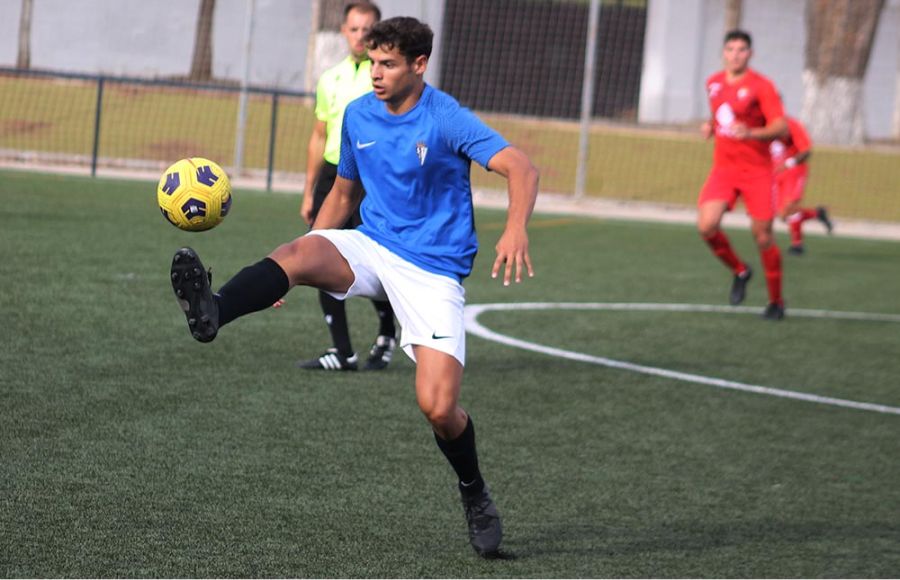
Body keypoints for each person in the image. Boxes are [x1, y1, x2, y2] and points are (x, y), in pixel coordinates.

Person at [169, 16, 539, 557]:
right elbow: (343, 193)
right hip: (374, 244)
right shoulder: (359, 113)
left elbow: (521, 167)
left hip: (432, 269)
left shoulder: (446, 118)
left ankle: (474, 492)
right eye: (371, 63)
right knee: (295, 253)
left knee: (438, 408)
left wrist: (515, 228)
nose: (376, 75)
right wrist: (302, 262)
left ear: (418, 64)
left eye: (388, 64)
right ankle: (215, 310)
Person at [298, 1, 397, 372]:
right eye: (353, 29)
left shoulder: (384, 77)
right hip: (332, 176)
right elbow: (319, 134)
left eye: (367, 29)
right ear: (343, 31)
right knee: (319, 258)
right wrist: (309, 191)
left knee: (377, 264)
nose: (360, 36)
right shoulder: (330, 79)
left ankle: (387, 333)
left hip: (370, 180)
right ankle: (342, 352)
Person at [698, 29, 789, 320]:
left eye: (741, 50)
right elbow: (719, 115)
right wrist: (710, 127)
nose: (735, 55)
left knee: (762, 236)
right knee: (706, 226)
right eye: (730, 49)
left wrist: (752, 132)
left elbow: (781, 128)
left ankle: (776, 300)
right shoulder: (712, 83)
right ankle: (740, 270)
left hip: (757, 171)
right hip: (724, 170)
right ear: (723, 53)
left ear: (750, 54)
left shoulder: (762, 86)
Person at [770, 115, 833, 255]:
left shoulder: (791, 124)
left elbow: (806, 151)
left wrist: (788, 163)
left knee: (789, 207)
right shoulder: (761, 126)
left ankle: (797, 245)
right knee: (782, 214)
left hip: (794, 171)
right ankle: (817, 214)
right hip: (775, 174)